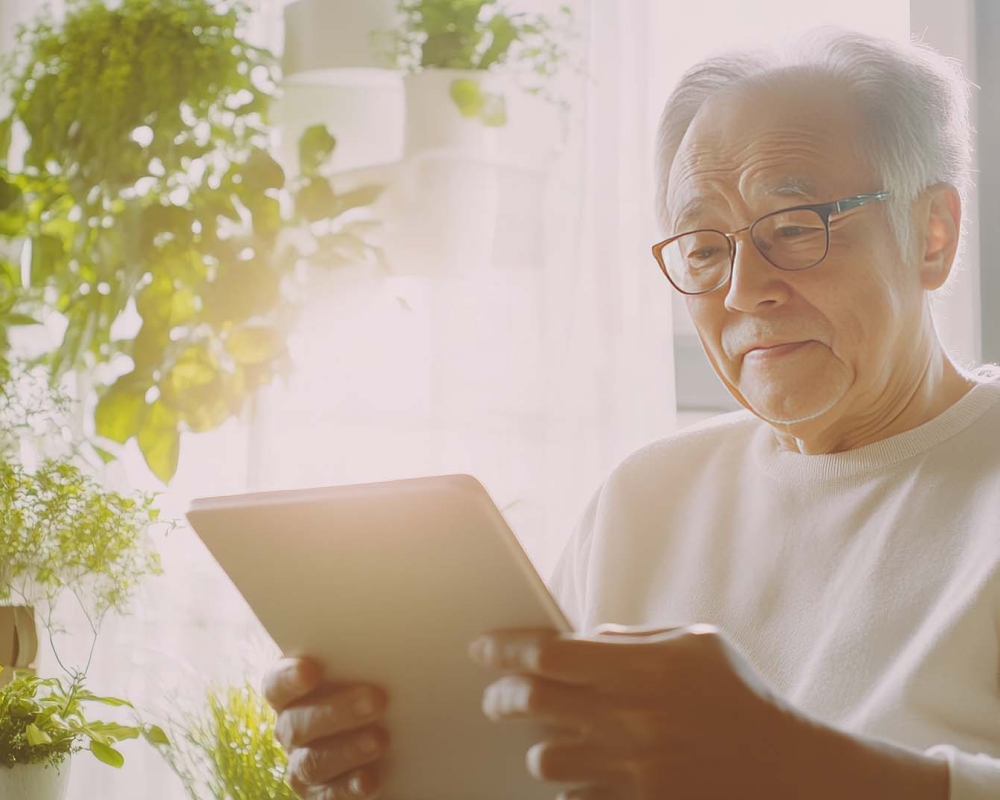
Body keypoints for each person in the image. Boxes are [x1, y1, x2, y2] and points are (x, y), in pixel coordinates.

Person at [262, 28, 1000, 800]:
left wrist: (793, 763)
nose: (744, 291)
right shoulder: (645, 497)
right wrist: (389, 766)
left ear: (932, 235)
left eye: (792, 228)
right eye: (706, 249)